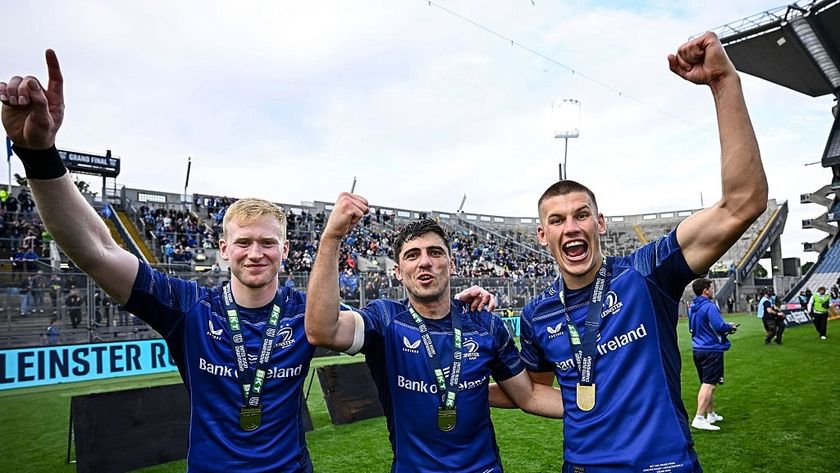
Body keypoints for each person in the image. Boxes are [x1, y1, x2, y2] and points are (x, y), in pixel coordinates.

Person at [0, 50, 494, 472]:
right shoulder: (188, 306)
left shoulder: (309, 313)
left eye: (267, 242)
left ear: (284, 250)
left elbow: (402, 319)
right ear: (223, 250)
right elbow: (97, 251)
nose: (255, 252)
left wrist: (461, 304)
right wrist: (40, 154)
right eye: (243, 243)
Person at [504, 32, 767, 472]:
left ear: (600, 223)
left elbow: (744, 203)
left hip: (662, 466)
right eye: (557, 220)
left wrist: (723, 82)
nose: (571, 227)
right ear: (542, 236)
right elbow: (534, 392)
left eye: (582, 214)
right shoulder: (537, 315)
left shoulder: (647, 272)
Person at [305, 197, 565, 472]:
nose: (425, 262)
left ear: (452, 265)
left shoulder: (485, 324)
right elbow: (322, 330)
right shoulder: (385, 320)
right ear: (398, 272)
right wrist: (332, 237)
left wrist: (606, 406)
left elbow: (529, 395)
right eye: (412, 255)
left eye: (435, 252)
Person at [687, 278, 737, 431]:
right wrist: (730, 327)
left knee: (706, 383)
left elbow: (691, 328)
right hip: (711, 349)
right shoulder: (709, 306)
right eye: (711, 288)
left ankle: (711, 414)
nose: (712, 290)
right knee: (709, 384)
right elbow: (719, 326)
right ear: (705, 290)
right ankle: (699, 417)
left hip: (698, 348)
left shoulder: (692, 307)